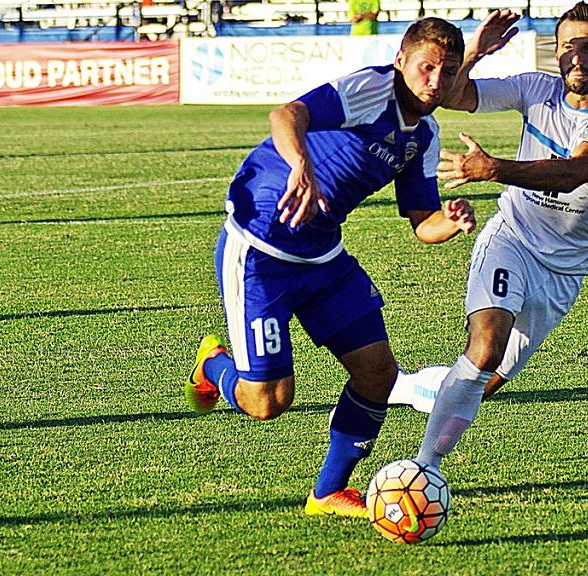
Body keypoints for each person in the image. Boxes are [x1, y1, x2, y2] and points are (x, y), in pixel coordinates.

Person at [185, 17, 476, 518]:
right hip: (260, 250)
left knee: (378, 375)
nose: (435, 81)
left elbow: (422, 221)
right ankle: (212, 366)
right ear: (400, 61)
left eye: (447, 72)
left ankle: (327, 493)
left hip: (323, 257)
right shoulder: (371, 89)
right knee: (267, 402)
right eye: (426, 67)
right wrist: (300, 163)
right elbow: (286, 115)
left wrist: (451, 221)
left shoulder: (424, 135)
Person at [388, 4, 588, 471]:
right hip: (512, 236)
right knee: (484, 348)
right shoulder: (535, 88)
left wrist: (494, 169)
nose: (574, 58)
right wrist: (474, 53)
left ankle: (396, 386)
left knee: (483, 380)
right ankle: (423, 468)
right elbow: (450, 95)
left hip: (566, 268)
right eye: (566, 46)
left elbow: (575, 172)